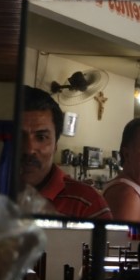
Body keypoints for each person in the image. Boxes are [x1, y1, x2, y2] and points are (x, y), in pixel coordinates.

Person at [20, 86, 111, 220]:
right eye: (18, 136)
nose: (29, 149)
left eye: (41, 137)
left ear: (55, 145)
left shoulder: (87, 203)